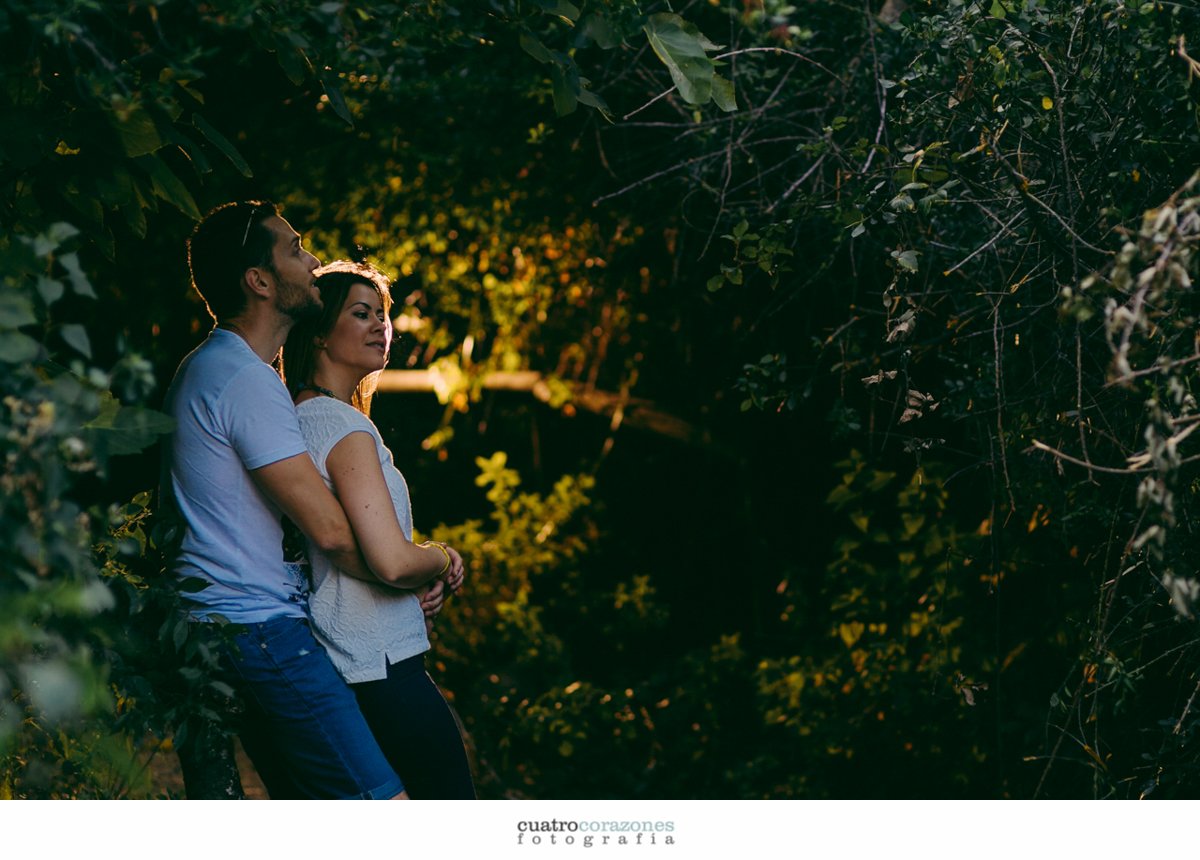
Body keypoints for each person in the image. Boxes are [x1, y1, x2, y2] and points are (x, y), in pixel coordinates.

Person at [162, 200, 451, 799]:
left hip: (236, 623)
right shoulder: (244, 379)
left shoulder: (229, 373)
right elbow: (335, 535)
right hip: (257, 627)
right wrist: (423, 565)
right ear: (260, 281)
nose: (313, 261)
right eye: (295, 249)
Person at [282, 260, 477, 799]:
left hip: (349, 662)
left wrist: (412, 578)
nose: (381, 326)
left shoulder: (299, 420)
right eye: (361, 313)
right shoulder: (344, 428)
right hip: (384, 669)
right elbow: (390, 560)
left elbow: (361, 549)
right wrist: (442, 559)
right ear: (319, 333)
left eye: (383, 316)